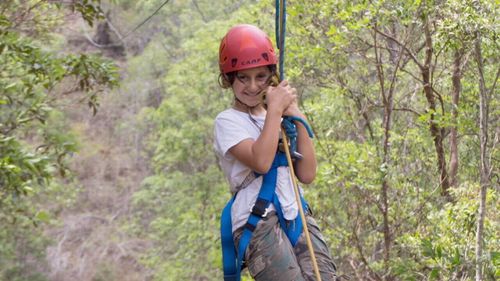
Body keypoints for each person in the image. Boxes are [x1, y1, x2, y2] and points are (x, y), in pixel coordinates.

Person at [214, 24, 337, 281]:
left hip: (295, 213)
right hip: (257, 220)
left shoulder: (278, 116)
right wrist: (275, 111)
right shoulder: (227, 122)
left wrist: (296, 114)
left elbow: (307, 173)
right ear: (229, 79)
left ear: (270, 76)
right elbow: (261, 161)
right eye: (243, 78)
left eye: (260, 77)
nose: (252, 86)